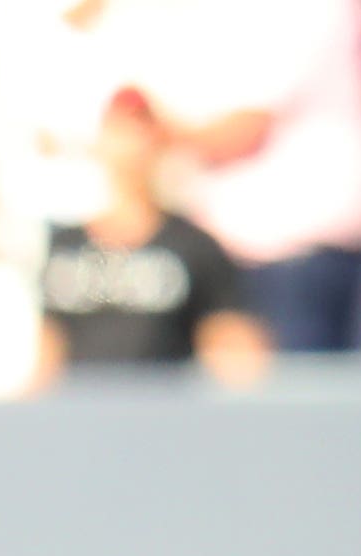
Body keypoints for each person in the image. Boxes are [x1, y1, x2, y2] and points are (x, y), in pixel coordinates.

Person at [131, 0, 361, 356]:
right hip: (244, 251)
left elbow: (241, 132)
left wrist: (137, 135)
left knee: (298, 401)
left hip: (298, 254)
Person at [36, 85, 270, 382]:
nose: (130, 145)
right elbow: (48, 347)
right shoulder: (66, 246)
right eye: (119, 130)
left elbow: (234, 348)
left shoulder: (193, 246)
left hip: (164, 416)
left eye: (141, 130)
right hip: (84, 417)